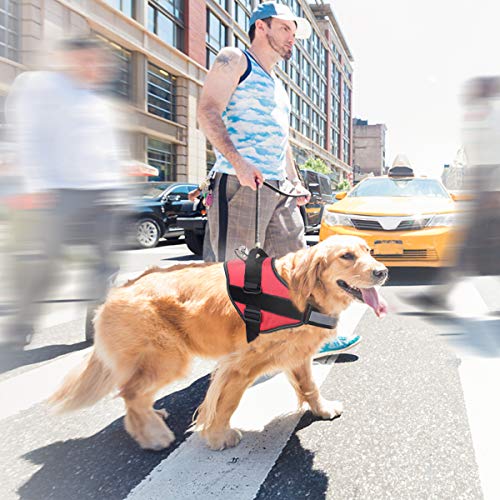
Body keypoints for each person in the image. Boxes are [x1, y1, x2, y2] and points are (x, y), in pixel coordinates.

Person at [197, 2, 360, 354]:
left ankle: (315, 331)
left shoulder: (278, 86)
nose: (292, 39)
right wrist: (238, 162)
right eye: (285, 29)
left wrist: (294, 180)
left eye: (294, 33)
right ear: (261, 27)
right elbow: (207, 109)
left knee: (298, 267)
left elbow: (281, 142)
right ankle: (232, 348)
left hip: (279, 189)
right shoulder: (234, 59)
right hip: (239, 184)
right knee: (236, 271)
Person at [0, 37, 125, 349]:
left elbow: (105, 149)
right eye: (88, 60)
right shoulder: (38, 85)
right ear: (68, 57)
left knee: (105, 265)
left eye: (99, 62)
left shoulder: (97, 100)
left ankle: (98, 327)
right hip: (56, 192)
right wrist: (35, 185)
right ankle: (21, 326)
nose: (95, 68)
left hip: (101, 194)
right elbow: (26, 134)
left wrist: (118, 183)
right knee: (45, 264)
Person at [407, 76, 500, 310]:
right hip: (481, 184)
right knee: (467, 244)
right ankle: (440, 294)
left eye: (475, 89)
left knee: (475, 244)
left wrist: (494, 191)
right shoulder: (481, 114)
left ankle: (439, 295)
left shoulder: (493, 116)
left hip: (490, 184)